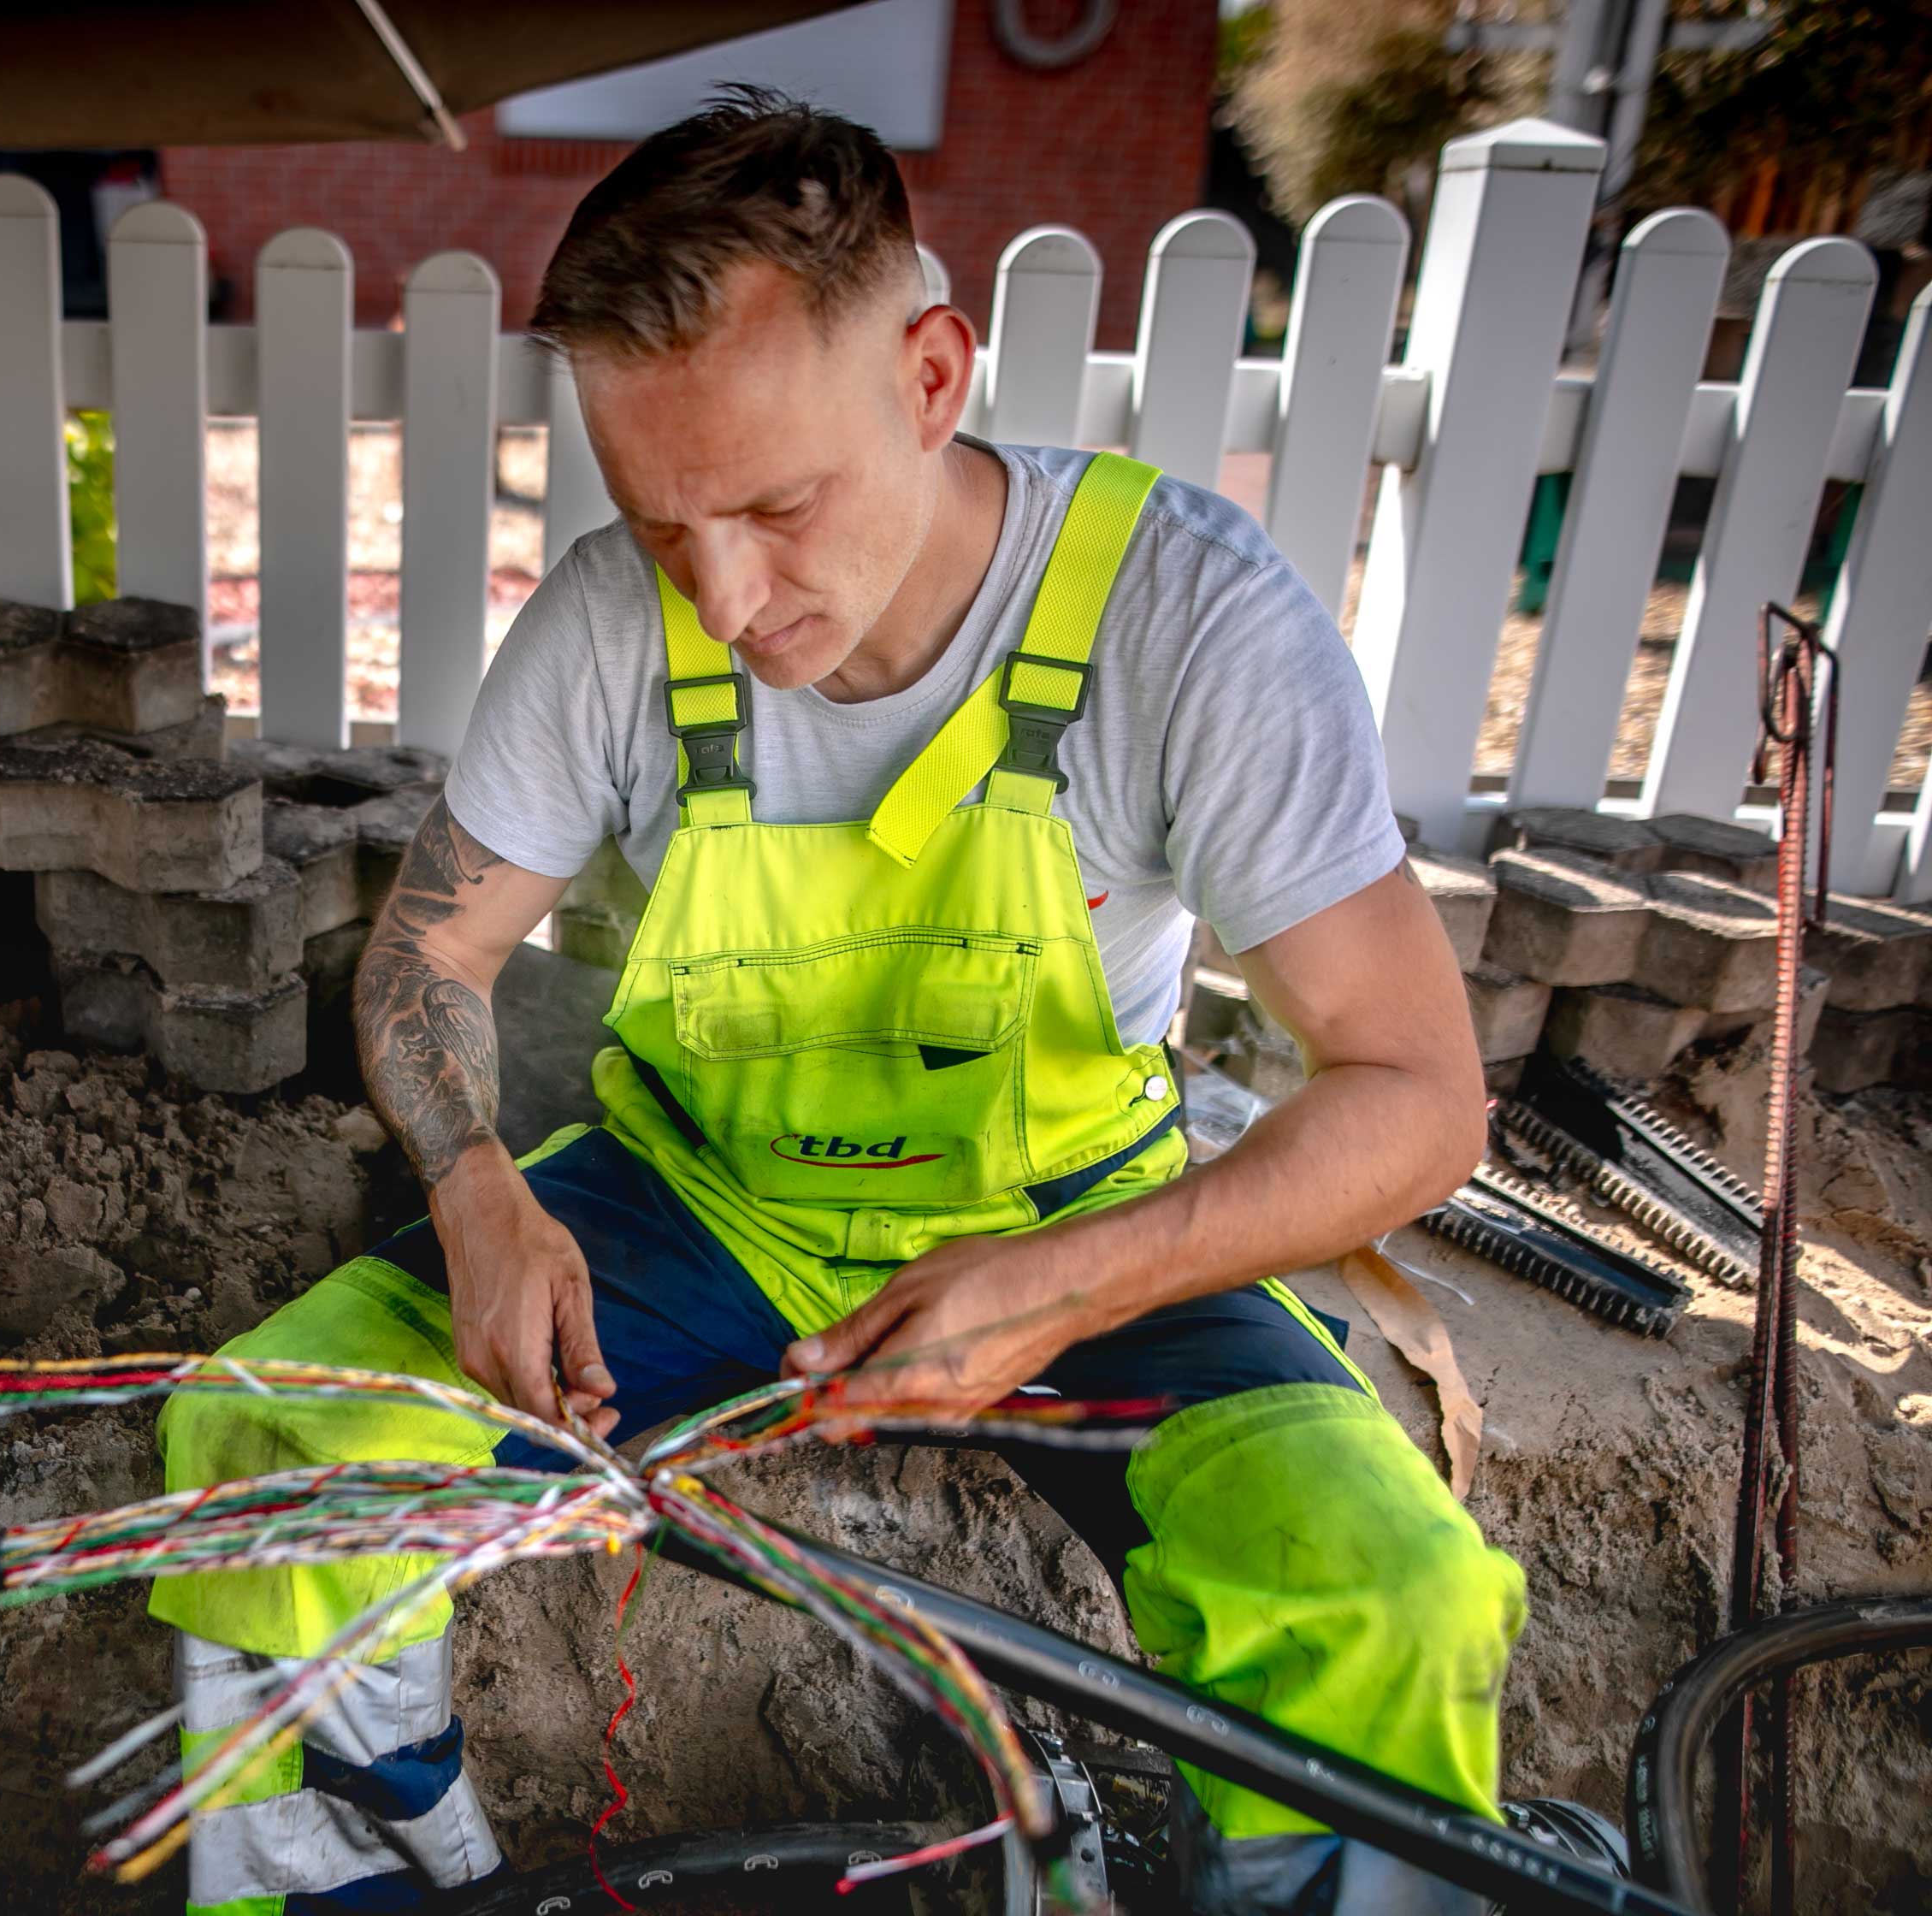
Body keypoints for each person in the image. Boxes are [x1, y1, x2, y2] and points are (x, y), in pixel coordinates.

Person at [151, 88, 1523, 1916]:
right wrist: (479, 1188)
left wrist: (1067, 1281)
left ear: (934, 370)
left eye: (778, 506)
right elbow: (429, 957)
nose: (722, 595)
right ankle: (379, 1876)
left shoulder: (1184, 621)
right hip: (704, 1207)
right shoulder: (609, 627)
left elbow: (1417, 1092)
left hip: (1086, 1224)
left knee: (1389, 1596)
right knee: (268, 1445)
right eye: (662, 524)